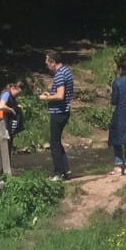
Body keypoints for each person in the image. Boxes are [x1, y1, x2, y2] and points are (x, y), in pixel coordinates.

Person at [41, 51, 74, 180]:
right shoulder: (67, 71)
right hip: (64, 111)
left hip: (58, 112)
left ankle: (58, 173)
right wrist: (50, 94)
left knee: (54, 143)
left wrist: (46, 98)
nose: (47, 66)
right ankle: (66, 170)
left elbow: (60, 95)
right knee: (57, 142)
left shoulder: (59, 75)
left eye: (47, 64)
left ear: (53, 63)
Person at [0, 80, 25, 180]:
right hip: (0, 125)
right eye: (18, 93)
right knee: (1, 152)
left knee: (7, 151)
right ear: (15, 88)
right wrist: (11, 109)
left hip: (7, 127)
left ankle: (6, 175)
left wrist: (16, 107)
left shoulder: (12, 97)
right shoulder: (6, 93)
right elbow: (1, 106)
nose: (18, 96)